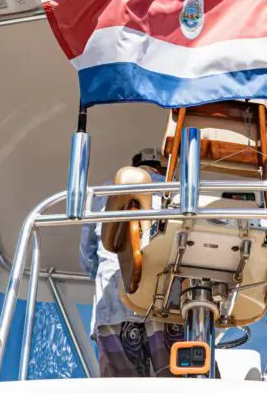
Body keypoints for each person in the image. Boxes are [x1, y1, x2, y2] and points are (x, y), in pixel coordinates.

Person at [79, 148, 184, 377]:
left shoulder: (105, 193)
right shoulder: (179, 193)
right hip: (162, 306)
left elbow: (88, 258)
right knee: (173, 383)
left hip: (113, 307)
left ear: (136, 167)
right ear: (164, 169)